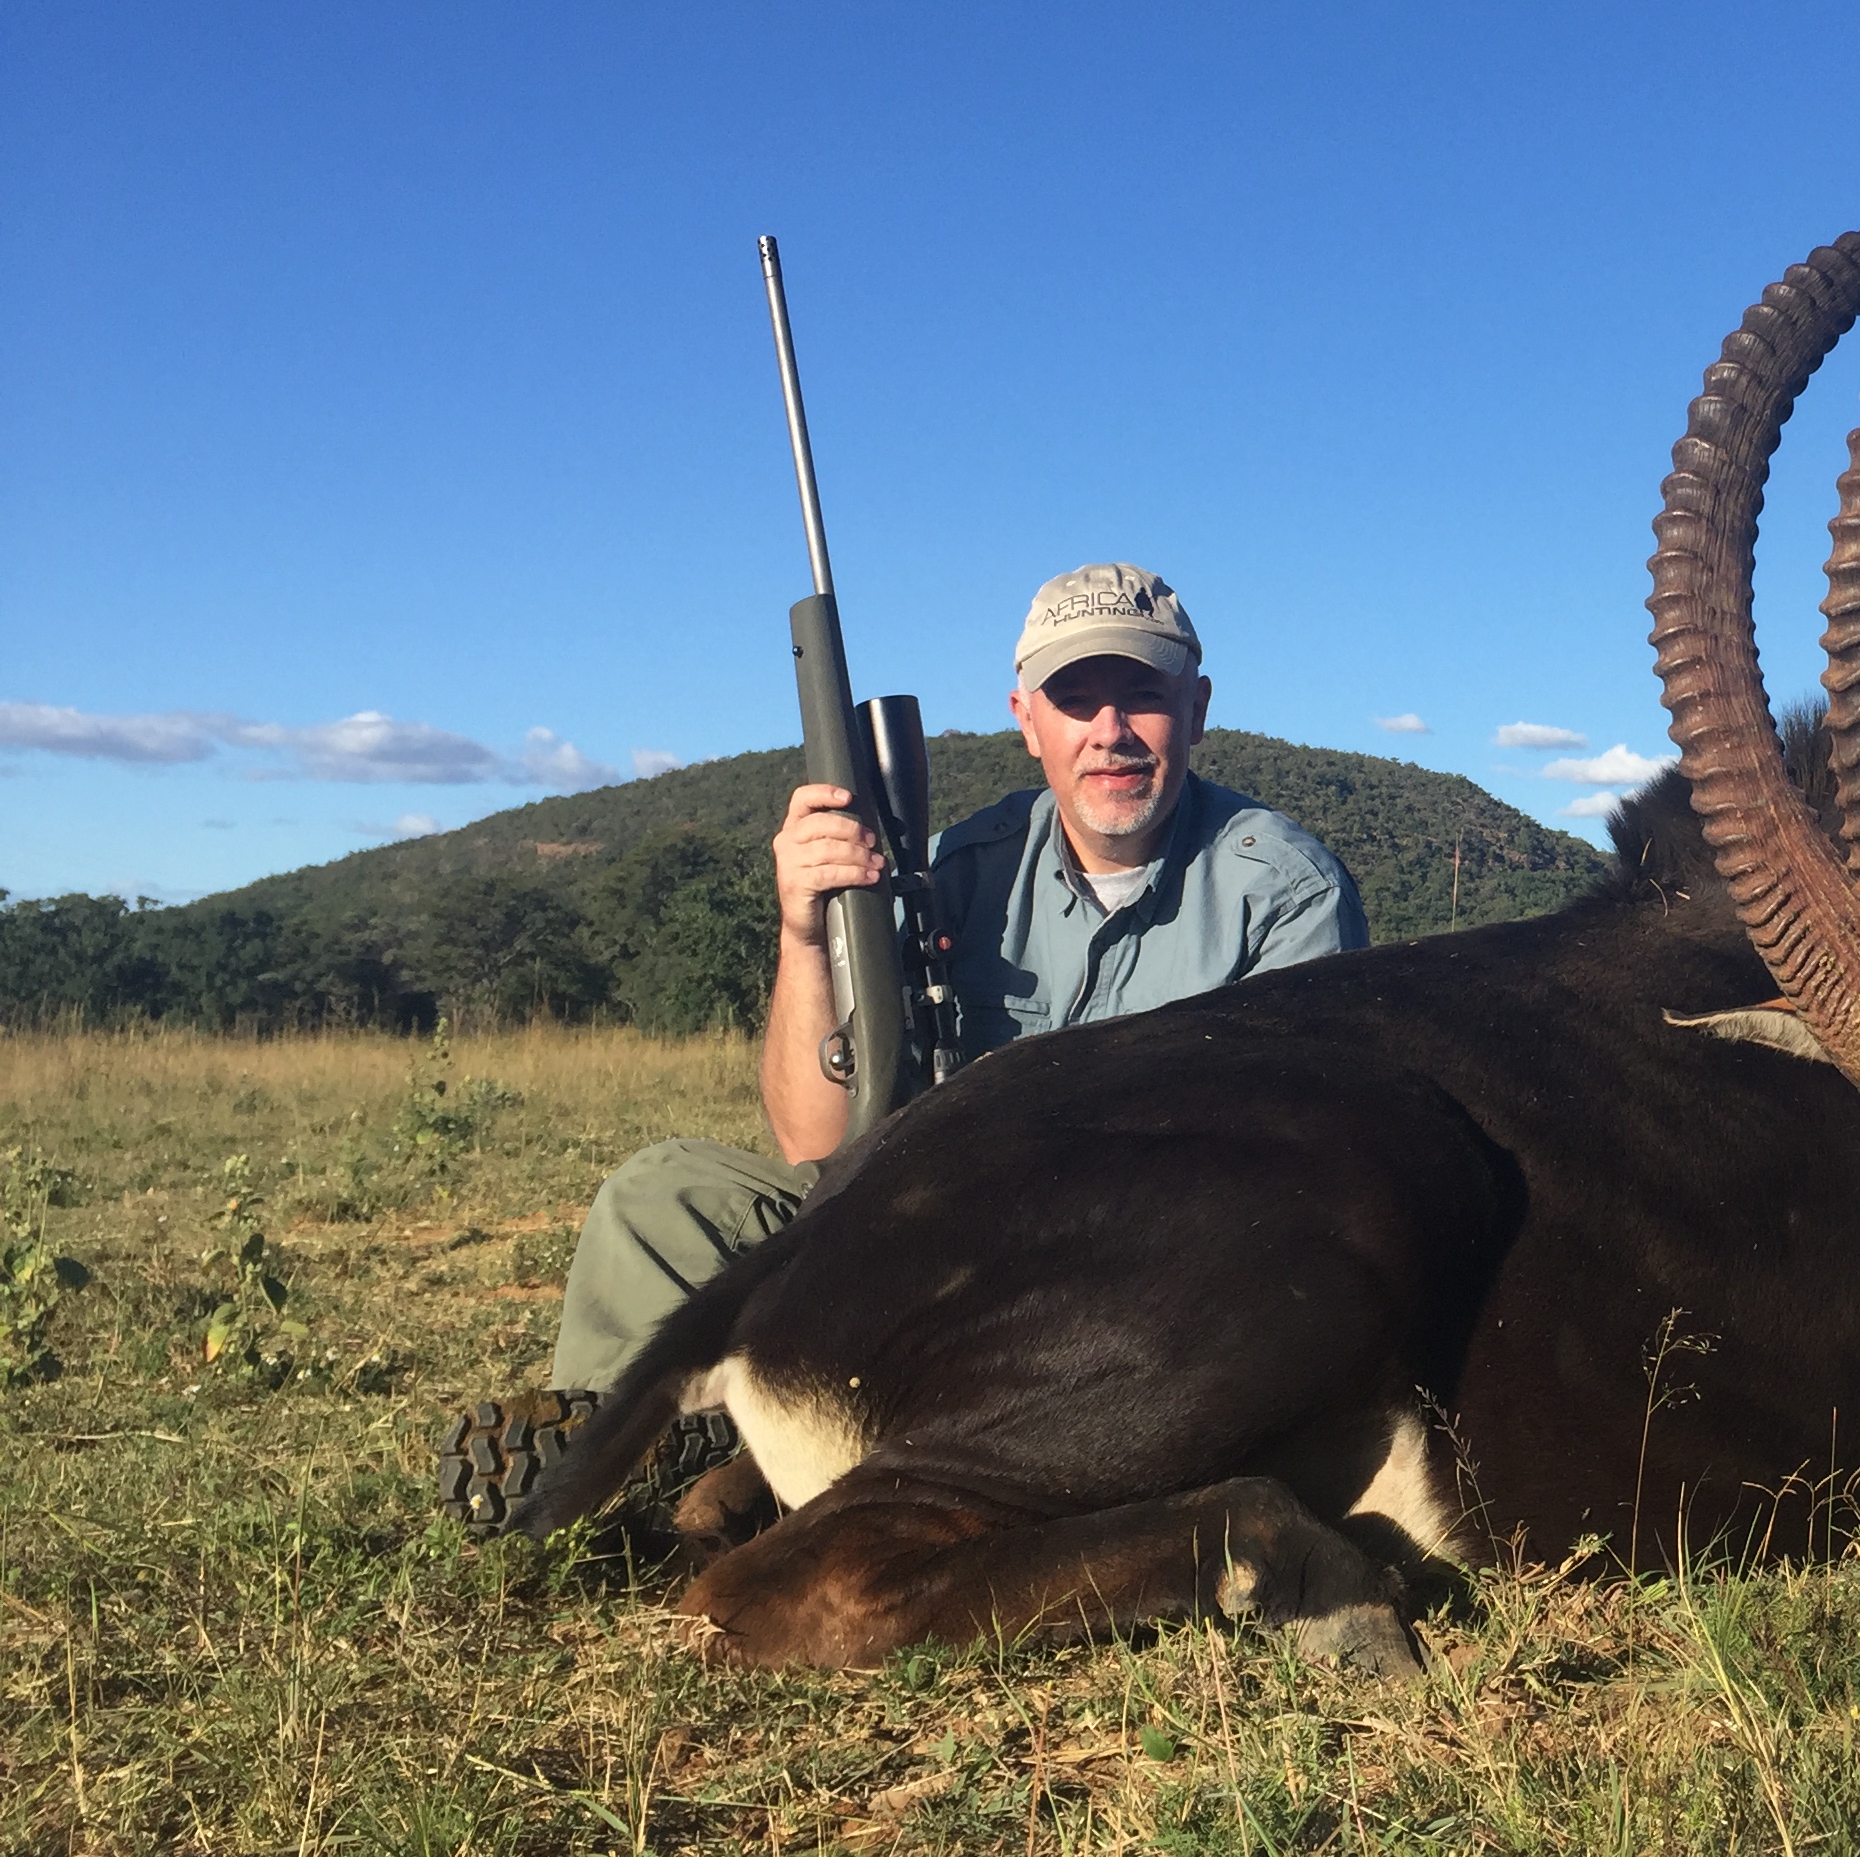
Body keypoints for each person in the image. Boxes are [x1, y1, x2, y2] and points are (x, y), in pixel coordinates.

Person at [434, 562, 1366, 1529]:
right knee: (660, 1196)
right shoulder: (960, 869)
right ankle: (627, 1463)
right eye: (1074, 699)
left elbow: (1285, 1200)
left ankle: (784, 1463)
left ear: (1197, 709)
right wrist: (805, 932)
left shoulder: (1284, 893)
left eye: (1142, 694)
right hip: (918, 1240)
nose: (1110, 731)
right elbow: (815, 1139)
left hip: (1117, 1288)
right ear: (1026, 721)